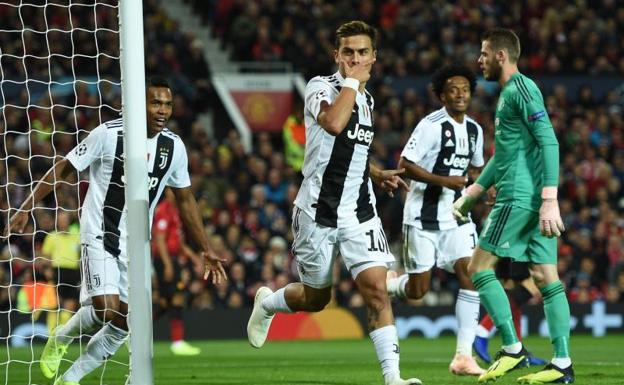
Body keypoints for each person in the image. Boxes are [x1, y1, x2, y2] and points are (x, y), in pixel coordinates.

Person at [5, 77, 227, 385]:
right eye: (155, 103)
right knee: (106, 309)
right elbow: (65, 168)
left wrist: (205, 247)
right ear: (140, 104)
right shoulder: (108, 134)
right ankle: (61, 337)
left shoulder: (174, 147)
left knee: (125, 322)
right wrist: (27, 206)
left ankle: (69, 380)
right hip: (99, 231)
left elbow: (186, 199)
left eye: (167, 104)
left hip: (135, 243)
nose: (162, 110)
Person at [246, 20, 420, 385]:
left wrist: (374, 173)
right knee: (316, 299)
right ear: (336, 56)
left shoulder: (368, 101)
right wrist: (353, 82)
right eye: (348, 53)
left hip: (359, 212)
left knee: (376, 289)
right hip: (317, 213)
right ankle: (268, 304)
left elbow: (348, 150)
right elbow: (334, 124)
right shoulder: (320, 87)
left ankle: (394, 379)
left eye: (362, 53)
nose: (355, 59)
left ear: (375, 56)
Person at [453, 28, 573, 383]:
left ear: (501, 56)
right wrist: (474, 192)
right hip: (530, 198)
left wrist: (550, 201)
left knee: (478, 268)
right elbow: (503, 155)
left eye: (484, 53)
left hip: (520, 197)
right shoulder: (508, 94)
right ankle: (562, 362)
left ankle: (511, 347)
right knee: (545, 277)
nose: (479, 60)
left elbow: (549, 141)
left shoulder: (521, 89)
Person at [385, 63, 486, 376]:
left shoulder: (475, 130)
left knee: (472, 275)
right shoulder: (430, 125)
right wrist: (445, 181)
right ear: (442, 95)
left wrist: (485, 188)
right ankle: (389, 284)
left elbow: (477, 170)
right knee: (418, 291)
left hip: (457, 217)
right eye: (453, 90)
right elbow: (405, 164)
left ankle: (463, 356)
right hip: (422, 217)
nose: (460, 95)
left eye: (465, 90)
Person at [152, 187, 204, 356]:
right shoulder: (163, 210)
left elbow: (178, 242)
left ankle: (131, 333)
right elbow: (159, 240)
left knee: (165, 302)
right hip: (165, 260)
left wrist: (194, 257)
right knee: (177, 297)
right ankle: (177, 342)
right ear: (167, 193)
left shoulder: (175, 210)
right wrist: (167, 265)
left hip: (173, 259)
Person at [473, 259, 548, 366]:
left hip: (510, 249)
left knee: (512, 292)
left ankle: (517, 351)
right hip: (517, 248)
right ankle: (482, 330)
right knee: (537, 281)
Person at [40, 211, 81, 330]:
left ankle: (62, 335)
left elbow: (81, 253)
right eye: (60, 220)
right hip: (57, 271)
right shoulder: (51, 236)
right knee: (55, 304)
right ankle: (51, 335)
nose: (62, 222)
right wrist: (47, 270)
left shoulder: (76, 234)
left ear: (69, 221)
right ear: (56, 222)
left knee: (70, 304)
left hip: (74, 272)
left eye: (64, 219)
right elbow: (45, 256)